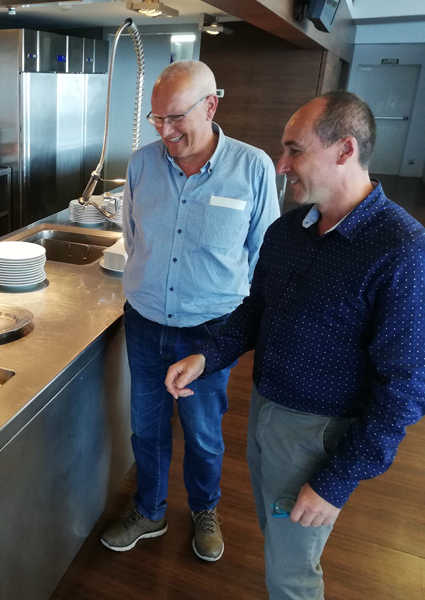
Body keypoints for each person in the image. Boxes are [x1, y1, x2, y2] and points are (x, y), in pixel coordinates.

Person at [165, 90, 425, 598]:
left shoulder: (401, 248)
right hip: (265, 412)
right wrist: (207, 355)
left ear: (345, 150)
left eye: (294, 150)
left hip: (317, 435)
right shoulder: (289, 230)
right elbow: (256, 312)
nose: (281, 165)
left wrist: (337, 481)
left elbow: (407, 386)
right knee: (276, 536)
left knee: (292, 574)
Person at [100, 61, 279, 561]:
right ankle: (150, 511)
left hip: (212, 329)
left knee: (203, 430)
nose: (166, 131)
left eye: (176, 117)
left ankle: (205, 508)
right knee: (147, 425)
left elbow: (263, 253)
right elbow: (134, 240)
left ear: (211, 106)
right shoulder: (141, 164)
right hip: (145, 319)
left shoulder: (253, 167)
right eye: (157, 120)